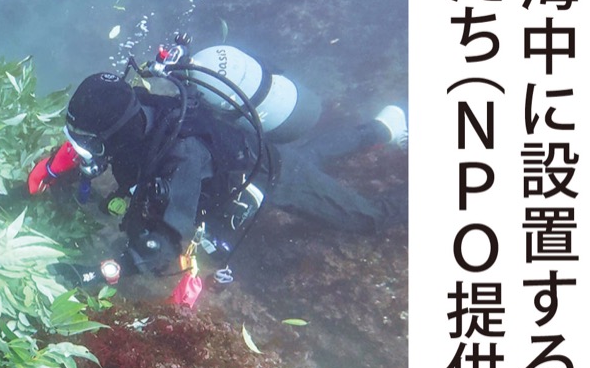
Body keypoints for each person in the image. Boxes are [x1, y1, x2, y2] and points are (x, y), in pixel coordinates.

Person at [27, 37, 407, 300]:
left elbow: (163, 248)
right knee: (312, 154)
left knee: (366, 217)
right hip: (250, 146)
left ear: (114, 134)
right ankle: (381, 129)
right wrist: (53, 167)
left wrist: (92, 273)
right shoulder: (137, 110)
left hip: (268, 175)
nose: (83, 150)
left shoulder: (182, 159)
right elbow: (97, 131)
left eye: (88, 142)